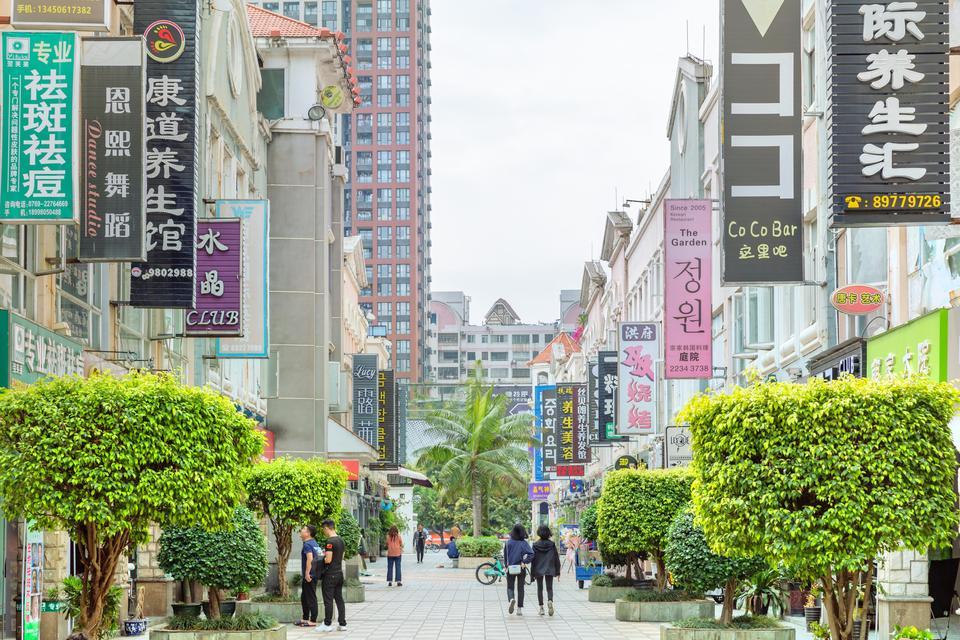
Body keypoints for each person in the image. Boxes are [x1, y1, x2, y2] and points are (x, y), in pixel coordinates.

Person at [317, 519, 346, 633]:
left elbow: (328, 559)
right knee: (339, 599)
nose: (323, 532)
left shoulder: (330, 542)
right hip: (339, 573)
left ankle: (327, 624)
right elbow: (342, 556)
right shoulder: (341, 540)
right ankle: (342, 624)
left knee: (328, 600)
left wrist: (322, 557)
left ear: (327, 528)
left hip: (330, 575)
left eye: (323, 529)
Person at [503, 524, 534, 616]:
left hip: (510, 568)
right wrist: (524, 562)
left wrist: (506, 566)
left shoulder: (508, 543)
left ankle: (511, 599)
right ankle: (519, 609)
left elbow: (505, 556)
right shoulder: (523, 543)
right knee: (521, 588)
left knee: (510, 586)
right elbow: (531, 554)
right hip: (521, 567)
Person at [531, 525, 561, 617]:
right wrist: (558, 571)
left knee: (540, 588)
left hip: (538, 569)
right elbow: (556, 558)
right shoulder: (552, 544)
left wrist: (532, 574)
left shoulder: (535, 545)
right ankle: (550, 600)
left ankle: (541, 608)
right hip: (549, 568)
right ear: (548, 532)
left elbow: (533, 560)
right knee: (549, 587)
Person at [296, 525, 321, 627]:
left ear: (308, 533)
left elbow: (310, 559)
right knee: (305, 597)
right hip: (314, 574)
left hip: (309, 575)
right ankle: (305, 618)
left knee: (310, 597)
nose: (301, 530)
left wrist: (307, 573)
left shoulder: (307, 545)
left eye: (304, 529)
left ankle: (313, 620)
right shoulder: (314, 543)